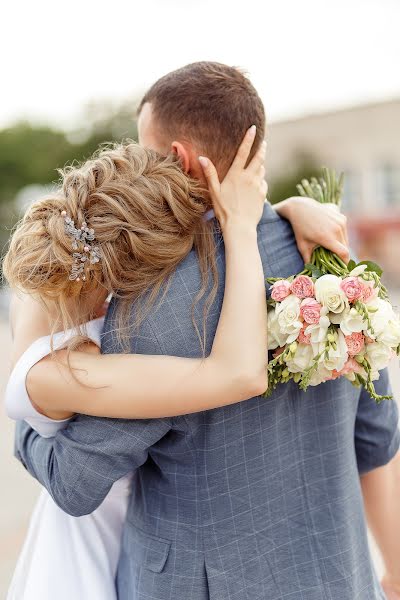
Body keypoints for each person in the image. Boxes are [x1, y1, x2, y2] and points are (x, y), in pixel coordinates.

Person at [9, 62, 400, 599]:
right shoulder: (334, 264)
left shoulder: (153, 306)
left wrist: (28, 424)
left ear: (178, 159)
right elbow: (376, 439)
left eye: (146, 151)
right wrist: (395, 571)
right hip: (339, 576)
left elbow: (75, 485)